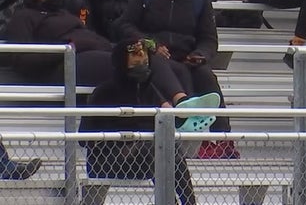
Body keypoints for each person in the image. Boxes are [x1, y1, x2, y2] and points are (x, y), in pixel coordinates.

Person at [115, 0, 237, 158]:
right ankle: (183, 110)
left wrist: (200, 55)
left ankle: (223, 139)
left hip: (186, 57)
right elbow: (125, 25)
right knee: (162, 63)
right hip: (153, 55)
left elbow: (209, 39)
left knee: (206, 77)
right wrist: (151, 44)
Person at [79, 38, 220, 205]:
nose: (142, 57)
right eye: (136, 53)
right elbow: (83, 138)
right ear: (122, 59)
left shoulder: (149, 89)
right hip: (107, 162)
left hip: (145, 160)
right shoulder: (104, 92)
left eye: (144, 53)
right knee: (158, 146)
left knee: (166, 145)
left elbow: (164, 117)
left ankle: (187, 203)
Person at [5, 0, 113, 85]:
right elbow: (21, 61)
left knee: (125, 58)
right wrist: (69, 47)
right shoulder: (24, 17)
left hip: (89, 54)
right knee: (115, 65)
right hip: (62, 65)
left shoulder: (65, 13)